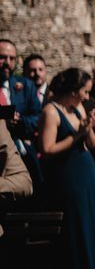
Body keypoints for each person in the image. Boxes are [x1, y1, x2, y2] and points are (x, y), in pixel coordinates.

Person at [38, 68, 95, 269]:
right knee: (77, 225)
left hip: (86, 174)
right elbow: (47, 149)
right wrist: (76, 136)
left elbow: (93, 143)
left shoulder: (77, 109)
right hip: (68, 177)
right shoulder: (51, 111)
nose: (87, 97)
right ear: (72, 91)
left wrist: (88, 128)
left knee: (93, 221)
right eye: (85, 92)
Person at [0, 39, 43, 188]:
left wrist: (20, 121)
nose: (7, 62)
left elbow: (39, 117)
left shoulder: (25, 86)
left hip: (23, 155)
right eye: (3, 57)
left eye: (11, 58)